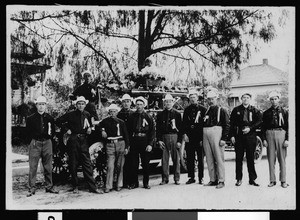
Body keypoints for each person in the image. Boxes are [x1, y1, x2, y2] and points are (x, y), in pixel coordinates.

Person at [56, 96, 102, 194]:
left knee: (87, 163)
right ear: (76, 105)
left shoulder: (87, 114)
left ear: (85, 105)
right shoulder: (70, 114)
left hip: (84, 140)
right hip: (73, 140)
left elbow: (89, 125)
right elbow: (58, 121)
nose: (81, 105)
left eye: (82, 104)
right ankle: (75, 186)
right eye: (79, 104)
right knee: (73, 164)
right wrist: (66, 129)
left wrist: (89, 129)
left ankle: (92, 187)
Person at [26, 96, 59, 197]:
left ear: (45, 106)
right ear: (36, 105)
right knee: (33, 166)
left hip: (47, 143)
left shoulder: (50, 118)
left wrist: (49, 141)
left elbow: (52, 131)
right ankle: (32, 187)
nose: (41, 106)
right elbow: (27, 133)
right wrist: (32, 142)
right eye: (39, 104)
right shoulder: (30, 118)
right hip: (35, 143)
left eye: (43, 104)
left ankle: (49, 186)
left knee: (48, 166)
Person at [229, 93, 262, 187]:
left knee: (250, 158)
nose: (245, 99)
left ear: (250, 99)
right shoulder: (236, 110)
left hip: (250, 136)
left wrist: (250, 128)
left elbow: (259, 121)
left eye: (247, 98)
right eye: (244, 98)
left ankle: (252, 179)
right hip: (239, 136)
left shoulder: (254, 110)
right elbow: (231, 123)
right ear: (241, 99)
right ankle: (239, 179)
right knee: (239, 158)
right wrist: (232, 136)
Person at [98, 104, 130, 193]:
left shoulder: (121, 122)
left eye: (114, 111)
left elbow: (126, 135)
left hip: (121, 143)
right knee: (110, 166)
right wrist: (102, 130)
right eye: (111, 111)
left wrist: (127, 147)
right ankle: (108, 186)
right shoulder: (105, 121)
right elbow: (98, 126)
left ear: (117, 112)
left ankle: (119, 184)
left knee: (120, 165)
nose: (113, 113)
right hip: (110, 145)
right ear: (109, 112)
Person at [202, 89, 230, 189]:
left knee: (219, 157)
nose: (211, 101)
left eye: (212, 99)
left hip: (216, 132)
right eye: (209, 99)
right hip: (206, 133)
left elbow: (227, 125)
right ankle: (213, 179)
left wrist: (224, 138)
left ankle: (221, 180)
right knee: (209, 158)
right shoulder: (206, 110)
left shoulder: (222, 110)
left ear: (216, 99)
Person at [262, 91, 289, 188]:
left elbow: (288, 126)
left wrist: (287, 139)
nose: (274, 101)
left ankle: (283, 180)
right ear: (270, 100)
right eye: (272, 99)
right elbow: (263, 127)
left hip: (281, 133)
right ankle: (272, 180)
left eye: (275, 99)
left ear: (279, 99)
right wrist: (264, 139)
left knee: (282, 158)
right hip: (269, 134)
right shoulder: (266, 113)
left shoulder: (284, 112)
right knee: (271, 158)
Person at [127, 96, 155, 189]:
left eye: (140, 104)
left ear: (144, 105)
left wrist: (150, 144)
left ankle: (146, 183)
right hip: (135, 140)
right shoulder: (131, 116)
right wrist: (129, 144)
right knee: (134, 163)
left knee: (145, 163)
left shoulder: (148, 117)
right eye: (137, 104)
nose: (139, 106)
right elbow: (128, 131)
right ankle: (134, 183)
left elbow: (152, 131)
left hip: (145, 140)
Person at [182, 89, 207, 185]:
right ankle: (191, 177)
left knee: (200, 158)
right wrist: (185, 134)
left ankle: (201, 177)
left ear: (197, 98)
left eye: (194, 97)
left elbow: (205, 124)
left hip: (199, 137)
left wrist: (202, 138)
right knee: (190, 158)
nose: (192, 99)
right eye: (191, 97)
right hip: (189, 137)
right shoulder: (186, 110)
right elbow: (184, 123)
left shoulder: (203, 109)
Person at [156, 94, 182, 185]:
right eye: (166, 101)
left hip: (174, 136)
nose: (168, 103)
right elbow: (158, 129)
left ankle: (176, 178)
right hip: (164, 137)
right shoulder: (160, 115)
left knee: (176, 159)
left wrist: (179, 141)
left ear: (173, 102)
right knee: (164, 159)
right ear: (164, 103)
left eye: (170, 101)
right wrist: (159, 140)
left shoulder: (177, 114)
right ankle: (164, 178)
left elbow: (181, 129)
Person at [117, 94, 134, 189]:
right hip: (122, 140)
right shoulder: (119, 114)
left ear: (130, 103)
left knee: (132, 161)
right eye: (124, 101)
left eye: (128, 101)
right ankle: (124, 182)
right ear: (122, 103)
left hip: (132, 140)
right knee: (123, 162)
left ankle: (132, 182)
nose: (126, 103)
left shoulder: (134, 114)